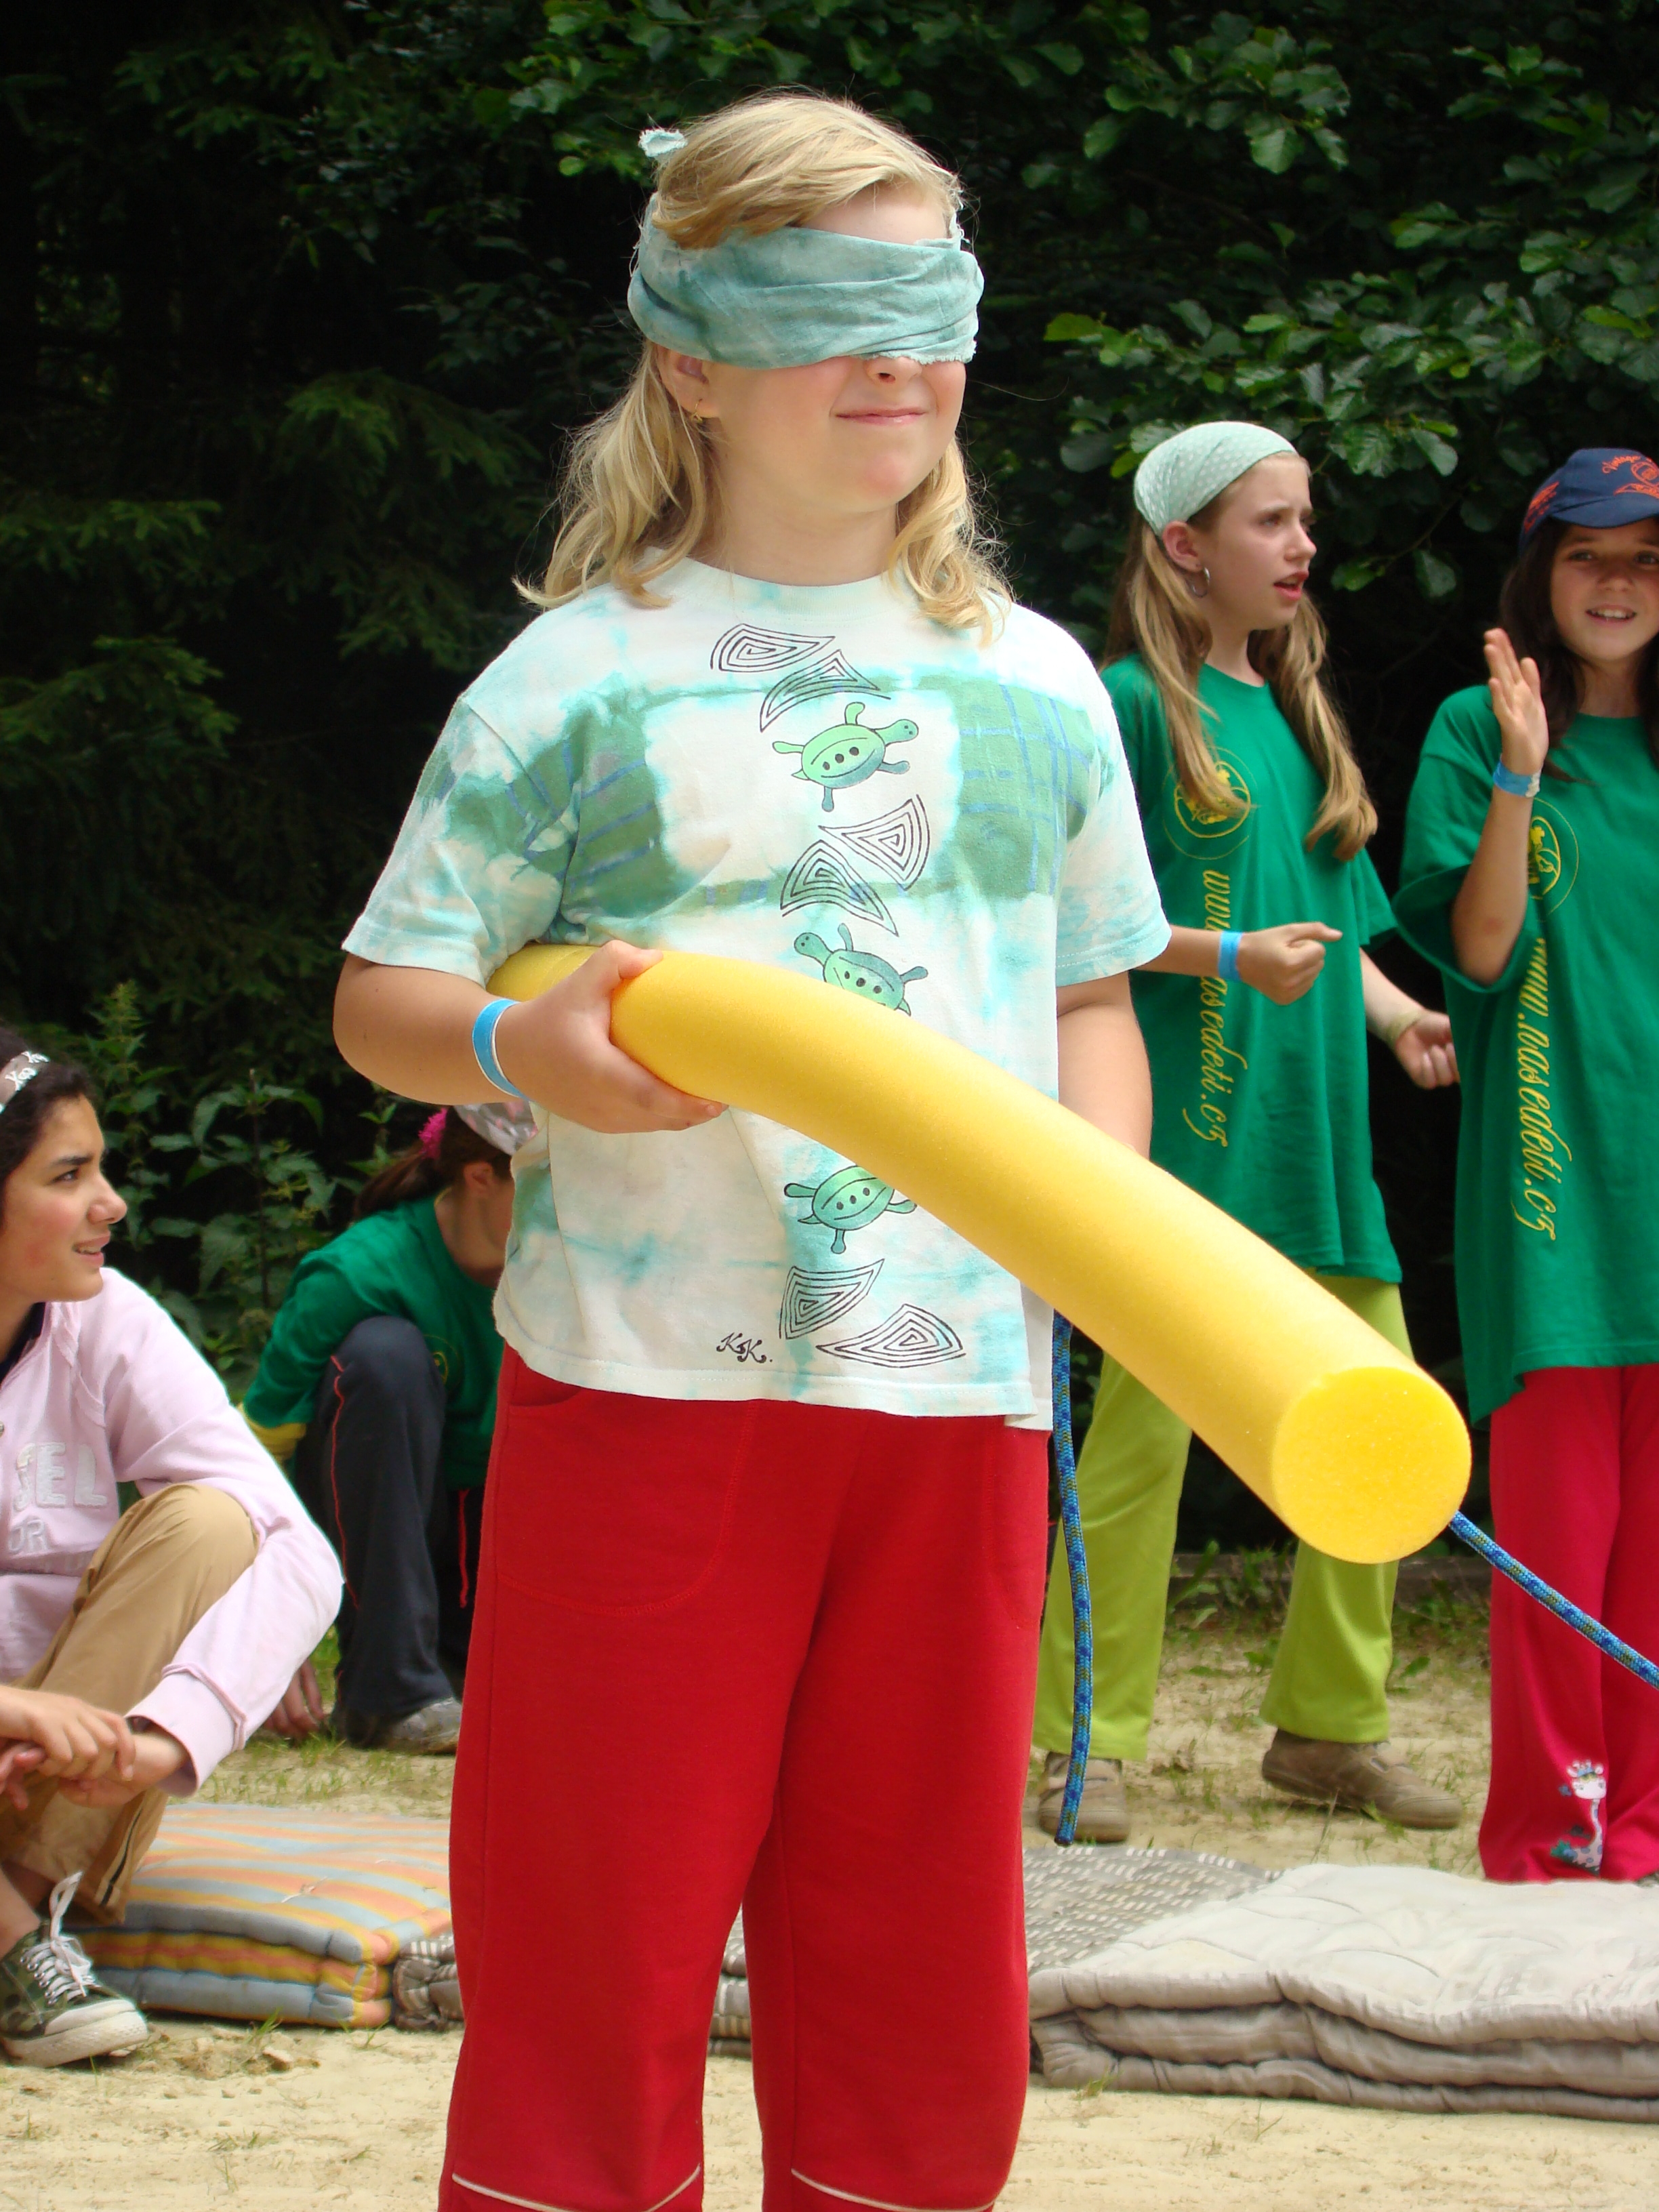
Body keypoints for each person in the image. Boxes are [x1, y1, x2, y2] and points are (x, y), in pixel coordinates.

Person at [331, 91, 1170, 2212]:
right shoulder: (572, 684)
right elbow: (385, 996)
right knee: (592, 1935)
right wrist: (521, 1044)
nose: (892, 357)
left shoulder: (1043, 684)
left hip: (956, 1396)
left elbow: (1091, 995)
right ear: (690, 356)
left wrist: (1097, 1223)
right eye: (824, 306)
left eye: (928, 304)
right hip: (646, 1396)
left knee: (916, 1952)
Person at [1033, 422, 1462, 1845]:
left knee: (1386, 1424)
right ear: (1184, 547)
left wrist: (1397, 1016)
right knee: (1141, 1446)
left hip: (1313, 1149)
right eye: (1270, 522)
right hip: (1185, 1150)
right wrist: (1226, 958)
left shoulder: (1291, 711)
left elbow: (1332, 935)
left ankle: (1328, 1730)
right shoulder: (1123, 705)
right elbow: (1068, 922)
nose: (1301, 547)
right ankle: (1081, 1743)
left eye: (1304, 519)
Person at [1395, 447, 1659, 1884]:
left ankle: (1647, 1837)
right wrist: (1518, 770)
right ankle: (1559, 1835)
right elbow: (1483, 949)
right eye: (1587, 555)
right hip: (1554, 1198)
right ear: (1538, 575)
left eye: (1645, 559)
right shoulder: (1473, 727)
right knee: (1563, 1544)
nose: (1616, 582)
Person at [0, 1029, 341, 2065]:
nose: (112, 1205)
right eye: (70, 1176)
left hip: (50, 1790)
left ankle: (20, 1906)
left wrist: (168, 1737)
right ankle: (14, 1949)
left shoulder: (106, 1322)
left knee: (213, 1521)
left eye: (100, 1170)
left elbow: (296, 1551)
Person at [241, 1099, 529, 1752]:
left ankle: (473, 1674)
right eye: (552, 1185)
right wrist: (257, 1635)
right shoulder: (358, 1272)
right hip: (390, 1537)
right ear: (481, 1176)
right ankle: (390, 1693)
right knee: (384, 1358)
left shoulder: (581, 1274)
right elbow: (246, 1460)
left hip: (502, 1537)